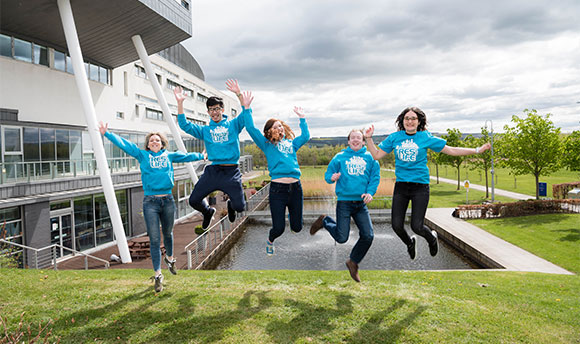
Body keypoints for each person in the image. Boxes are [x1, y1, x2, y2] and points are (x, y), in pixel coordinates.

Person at [364, 107, 490, 260]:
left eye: (413, 118)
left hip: (420, 188)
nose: (410, 121)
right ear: (402, 121)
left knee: (416, 226)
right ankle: (410, 243)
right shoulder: (394, 137)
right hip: (402, 187)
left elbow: (451, 150)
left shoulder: (425, 137)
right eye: (407, 118)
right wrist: (369, 138)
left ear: (419, 122)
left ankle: (432, 239)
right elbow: (377, 155)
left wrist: (477, 150)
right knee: (397, 226)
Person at [99, 122, 204, 293]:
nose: (154, 142)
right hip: (150, 203)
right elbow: (126, 145)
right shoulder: (142, 155)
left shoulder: (169, 156)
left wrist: (201, 155)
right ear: (148, 144)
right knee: (154, 240)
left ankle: (170, 258)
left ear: (162, 143)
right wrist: (107, 134)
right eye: (151, 140)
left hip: (168, 201)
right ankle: (158, 275)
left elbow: (185, 156)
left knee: (168, 234)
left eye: (157, 140)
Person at [226, 80, 310, 256]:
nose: (280, 128)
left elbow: (306, 136)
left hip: (296, 188)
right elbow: (249, 127)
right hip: (278, 190)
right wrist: (246, 107)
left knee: (297, 227)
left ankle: (291, 217)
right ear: (269, 131)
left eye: (281, 125)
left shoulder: (292, 144)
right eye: (276, 126)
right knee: (278, 228)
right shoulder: (266, 145)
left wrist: (302, 118)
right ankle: (270, 240)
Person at [174, 81, 251, 230]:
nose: (214, 112)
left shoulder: (233, 125)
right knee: (194, 200)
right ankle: (208, 211)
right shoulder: (205, 130)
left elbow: (246, 115)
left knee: (240, 207)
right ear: (208, 112)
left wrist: (239, 94)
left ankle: (230, 205)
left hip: (231, 172)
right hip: (213, 171)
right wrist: (180, 103)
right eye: (211, 110)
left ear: (222, 109)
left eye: (216, 108)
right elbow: (184, 125)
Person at [309, 129, 380, 282]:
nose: (355, 140)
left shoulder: (371, 158)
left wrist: (370, 193)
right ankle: (324, 221)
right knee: (341, 238)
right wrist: (332, 177)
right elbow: (328, 175)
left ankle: (353, 262)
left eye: (359, 138)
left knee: (368, 236)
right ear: (348, 141)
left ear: (363, 141)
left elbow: (374, 178)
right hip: (344, 203)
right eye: (352, 138)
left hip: (360, 204)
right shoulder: (339, 157)